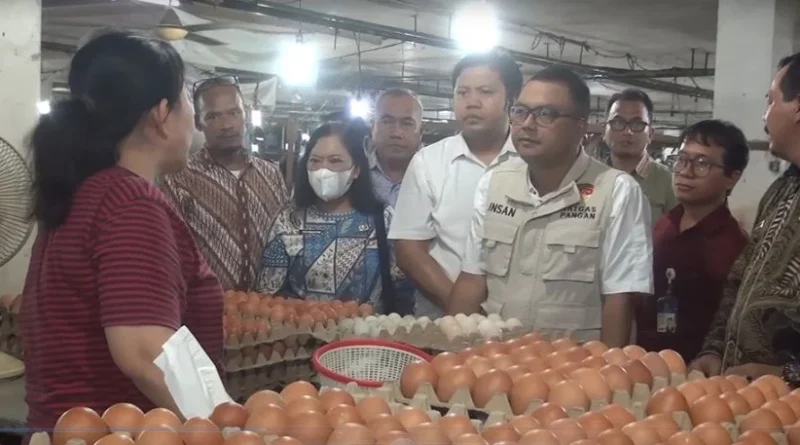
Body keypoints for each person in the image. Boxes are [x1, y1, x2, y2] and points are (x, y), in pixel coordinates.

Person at [21, 31, 223, 433]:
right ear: (161, 114)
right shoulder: (129, 202)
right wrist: (225, 427)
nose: (193, 120)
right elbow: (146, 353)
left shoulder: (87, 191)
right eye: (186, 102)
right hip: (116, 432)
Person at [446, 66, 653, 346]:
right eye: (520, 112)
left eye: (546, 115)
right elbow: (472, 279)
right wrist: (447, 354)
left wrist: (606, 375)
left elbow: (620, 299)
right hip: (493, 358)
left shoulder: (616, 191)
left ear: (581, 125)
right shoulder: (494, 182)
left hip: (571, 369)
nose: (528, 125)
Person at [690, 51, 800, 378]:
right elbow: (740, 280)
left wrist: (788, 375)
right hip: (746, 398)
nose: (764, 116)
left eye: (771, 101)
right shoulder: (783, 189)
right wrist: (715, 348)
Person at [389, 50, 523, 318]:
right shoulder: (429, 162)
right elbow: (409, 251)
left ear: (512, 99)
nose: (472, 102)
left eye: (485, 92)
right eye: (462, 93)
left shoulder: (531, 162)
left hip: (518, 324)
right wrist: (462, 311)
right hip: (442, 320)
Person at [256, 120, 413, 314]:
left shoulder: (383, 219)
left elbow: (402, 288)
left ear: (356, 169)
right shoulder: (287, 221)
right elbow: (267, 293)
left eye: (335, 161)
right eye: (315, 161)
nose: (323, 170)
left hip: (367, 337)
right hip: (300, 337)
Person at [635, 120, 749, 362]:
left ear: (732, 178)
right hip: (645, 359)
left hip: (697, 371)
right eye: (682, 159)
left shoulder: (733, 245)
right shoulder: (666, 223)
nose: (685, 171)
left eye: (702, 164)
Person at [162, 76, 289, 291]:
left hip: (270, 314)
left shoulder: (271, 174)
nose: (227, 125)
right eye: (212, 116)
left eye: (234, 113)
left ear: (245, 115)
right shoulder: (179, 179)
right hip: (205, 311)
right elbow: (171, 254)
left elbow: (286, 236)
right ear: (198, 123)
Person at [603, 88, 678, 224]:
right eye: (618, 122)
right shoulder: (591, 178)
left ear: (650, 134)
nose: (628, 132)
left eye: (637, 124)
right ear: (605, 130)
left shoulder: (669, 183)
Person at [369, 88, 424, 207]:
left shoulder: (439, 175)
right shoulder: (353, 173)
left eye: (407, 124)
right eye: (387, 122)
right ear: (373, 127)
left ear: (420, 132)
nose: (396, 133)